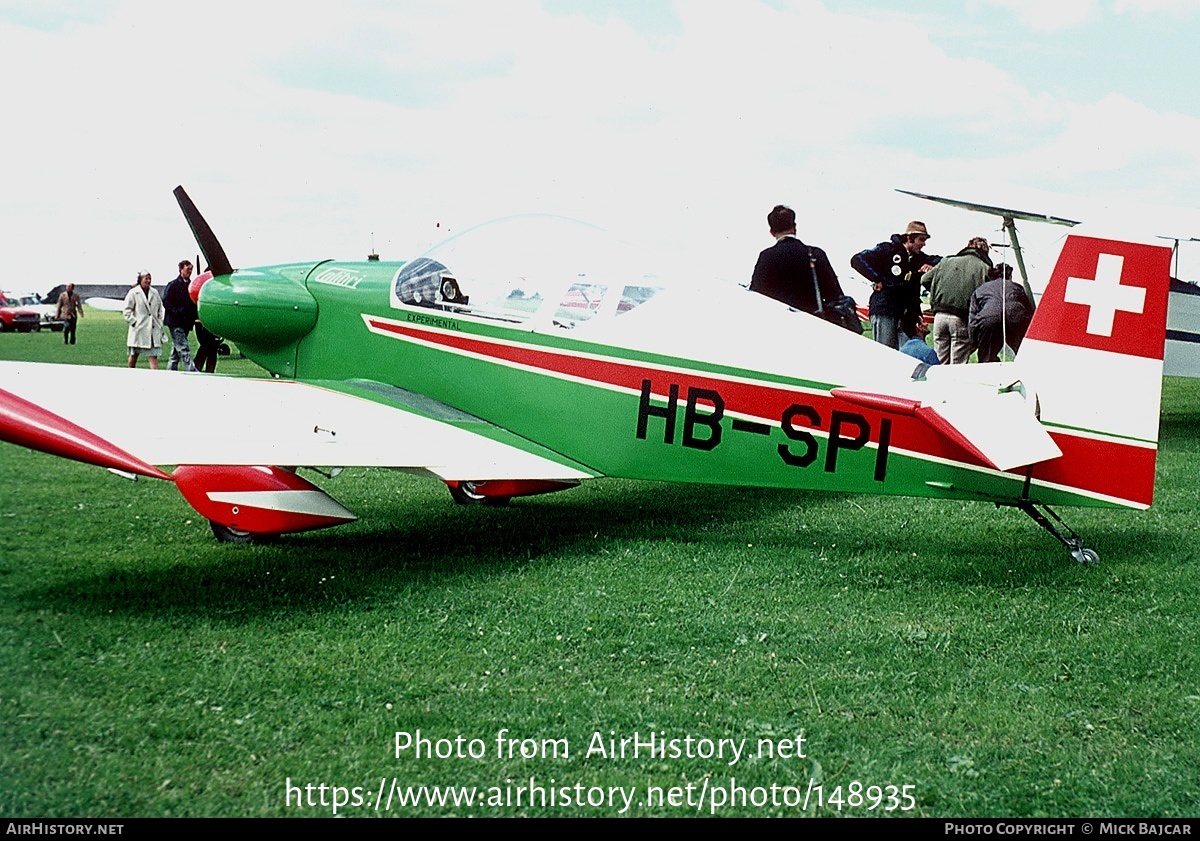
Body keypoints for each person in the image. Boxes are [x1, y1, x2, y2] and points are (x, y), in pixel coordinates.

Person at [851, 221, 938, 349]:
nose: (924, 244)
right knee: (885, 354)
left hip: (907, 315)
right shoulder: (887, 250)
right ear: (910, 238)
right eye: (921, 240)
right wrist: (876, 279)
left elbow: (941, 260)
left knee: (908, 355)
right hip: (885, 309)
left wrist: (932, 266)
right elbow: (857, 260)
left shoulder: (919, 258)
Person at [750, 205, 843, 315]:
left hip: (778, 321)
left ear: (771, 231)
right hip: (814, 321)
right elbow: (835, 295)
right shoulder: (816, 254)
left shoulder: (766, 256)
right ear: (794, 227)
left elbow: (756, 295)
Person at [923, 236, 992, 364]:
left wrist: (937, 290)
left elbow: (924, 279)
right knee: (957, 367)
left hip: (939, 317)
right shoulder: (985, 268)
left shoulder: (946, 261)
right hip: (961, 319)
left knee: (940, 363)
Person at [968, 263, 1033, 363]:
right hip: (1016, 317)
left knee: (986, 359)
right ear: (1010, 276)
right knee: (1024, 356)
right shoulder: (1017, 287)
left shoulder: (981, 289)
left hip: (989, 319)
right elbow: (1030, 312)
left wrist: (974, 342)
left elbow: (972, 319)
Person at [123, 271, 165, 369]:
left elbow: (160, 308)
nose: (148, 281)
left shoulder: (154, 292)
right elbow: (127, 310)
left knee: (153, 356)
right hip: (139, 330)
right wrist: (134, 322)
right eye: (146, 278)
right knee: (134, 355)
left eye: (150, 278)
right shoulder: (133, 293)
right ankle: (129, 372)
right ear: (141, 280)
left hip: (152, 330)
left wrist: (159, 321)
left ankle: (156, 378)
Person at [163, 260, 198, 372]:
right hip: (175, 321)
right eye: (188, 269)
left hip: (186, 322)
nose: (190, 271)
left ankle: (170, 371)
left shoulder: (191, 285)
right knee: (183, 348)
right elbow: (166, 301)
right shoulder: (173, 285)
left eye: (191, 269)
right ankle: (191, 371)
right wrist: (177, 311)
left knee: (176, 351)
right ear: (181, 269)